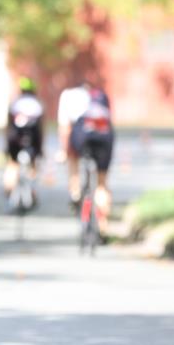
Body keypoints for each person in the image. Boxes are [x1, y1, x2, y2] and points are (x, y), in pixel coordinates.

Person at [57, 81, 115, 238]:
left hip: (82, 134)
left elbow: (65, 128)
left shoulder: (68, 96)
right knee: (102, 184)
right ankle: (103, 226)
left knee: (73, 158)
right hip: (104, 135)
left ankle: (75, 193)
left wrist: (64, 151)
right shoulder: (102, 97)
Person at [3, 76, 45, 206]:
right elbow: (41, 128)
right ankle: (32, 190)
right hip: (32, 139)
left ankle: (9, 190)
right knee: (33, 163)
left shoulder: (14, 103)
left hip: (15, 139)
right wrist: (41, 148)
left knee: (12, 164)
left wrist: (6, 144)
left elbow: (8, 125)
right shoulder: (38, 104)